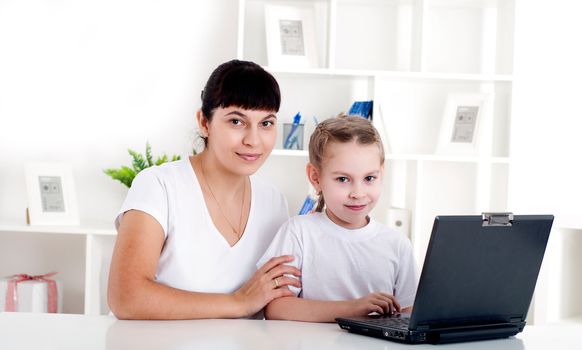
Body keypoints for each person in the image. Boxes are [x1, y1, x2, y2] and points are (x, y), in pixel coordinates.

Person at [108, 60, 301, 320]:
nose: (253, 140)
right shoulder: (159, 185)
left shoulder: (273, 202)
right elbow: (126, 297)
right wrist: (238, 303)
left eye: (266, 124)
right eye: (236, 121)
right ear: (204, 122)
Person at [257, 115, 418, 322]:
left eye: (369, 178)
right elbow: (275, 308)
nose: (358, 193)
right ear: (315, 178)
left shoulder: (397, 245)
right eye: (343, 179)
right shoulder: (299, 233)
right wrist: (352, 308)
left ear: (381, 174)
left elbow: (409, 313)